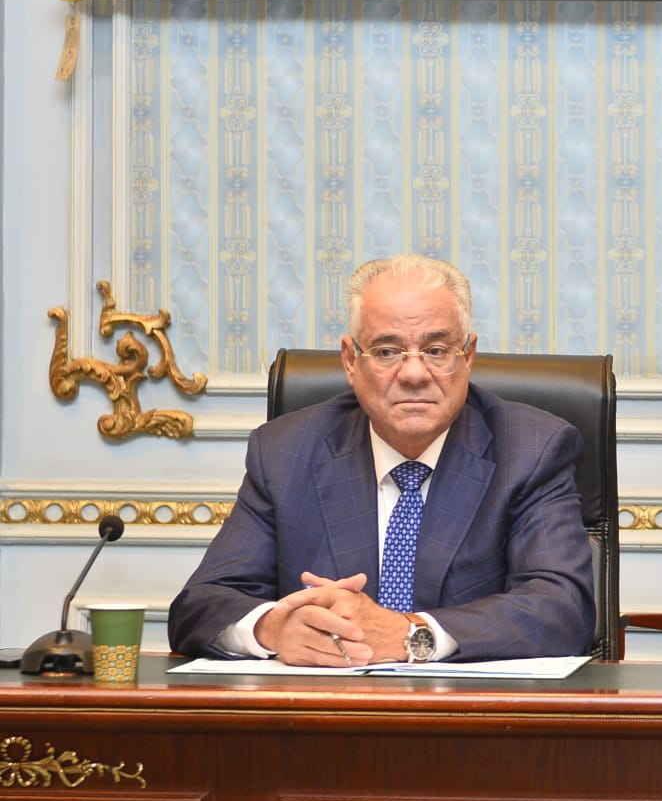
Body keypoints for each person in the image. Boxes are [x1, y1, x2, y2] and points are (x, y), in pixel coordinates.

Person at [168, 254, 596, 666]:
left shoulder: (530, 450)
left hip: (471, 711)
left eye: (436, 350)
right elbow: (201, 605)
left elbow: (562, 609)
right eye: (388, 351)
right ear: (350, 361)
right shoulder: (285, 452)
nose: (414, 374)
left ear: (467, 357)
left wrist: (409, 634)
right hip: (324, 709)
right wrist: (274, 628)